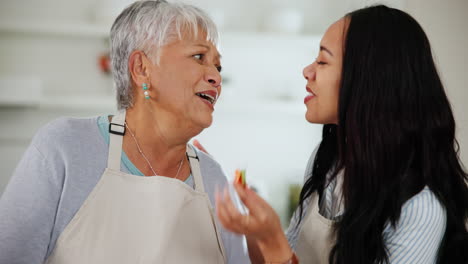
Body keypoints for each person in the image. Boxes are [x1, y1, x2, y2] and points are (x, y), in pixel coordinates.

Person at [214, 5, 468, 264]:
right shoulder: (326, 163)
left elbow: (282, 256)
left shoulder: (418, 207)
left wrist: (274, 243)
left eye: (323, 61)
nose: (307, 71)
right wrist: (253, 232)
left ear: (368, 79)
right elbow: (288, 256)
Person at [0, 1, 250, 263]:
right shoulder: (64, 149)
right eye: (199, 57)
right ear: (142, 68)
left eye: (218, 66)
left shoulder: (214, 180)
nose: (216, 77)